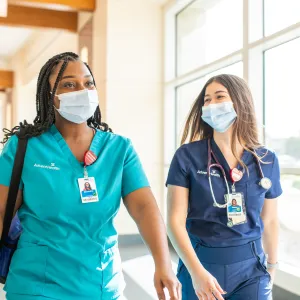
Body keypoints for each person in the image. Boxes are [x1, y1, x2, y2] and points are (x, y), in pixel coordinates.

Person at [0, 52, 181, 300]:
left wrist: (164, 263)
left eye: (88, 83)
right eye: (69, 84)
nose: (82, 90)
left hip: (102, 286)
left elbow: (144, 208)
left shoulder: (119, 149)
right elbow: (2, 212)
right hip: (37, 286)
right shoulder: (25, 147)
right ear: (49, 94)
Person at [166, 74, 282, 300]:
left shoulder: (266, 159)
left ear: (240, 102)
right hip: (201, 264)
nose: (211, 105)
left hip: (252, 269)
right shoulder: (187, 156)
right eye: (207, 100)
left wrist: (272, 266)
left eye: (220, 97)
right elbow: (174, 221)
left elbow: (270, 220)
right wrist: (196, 272)